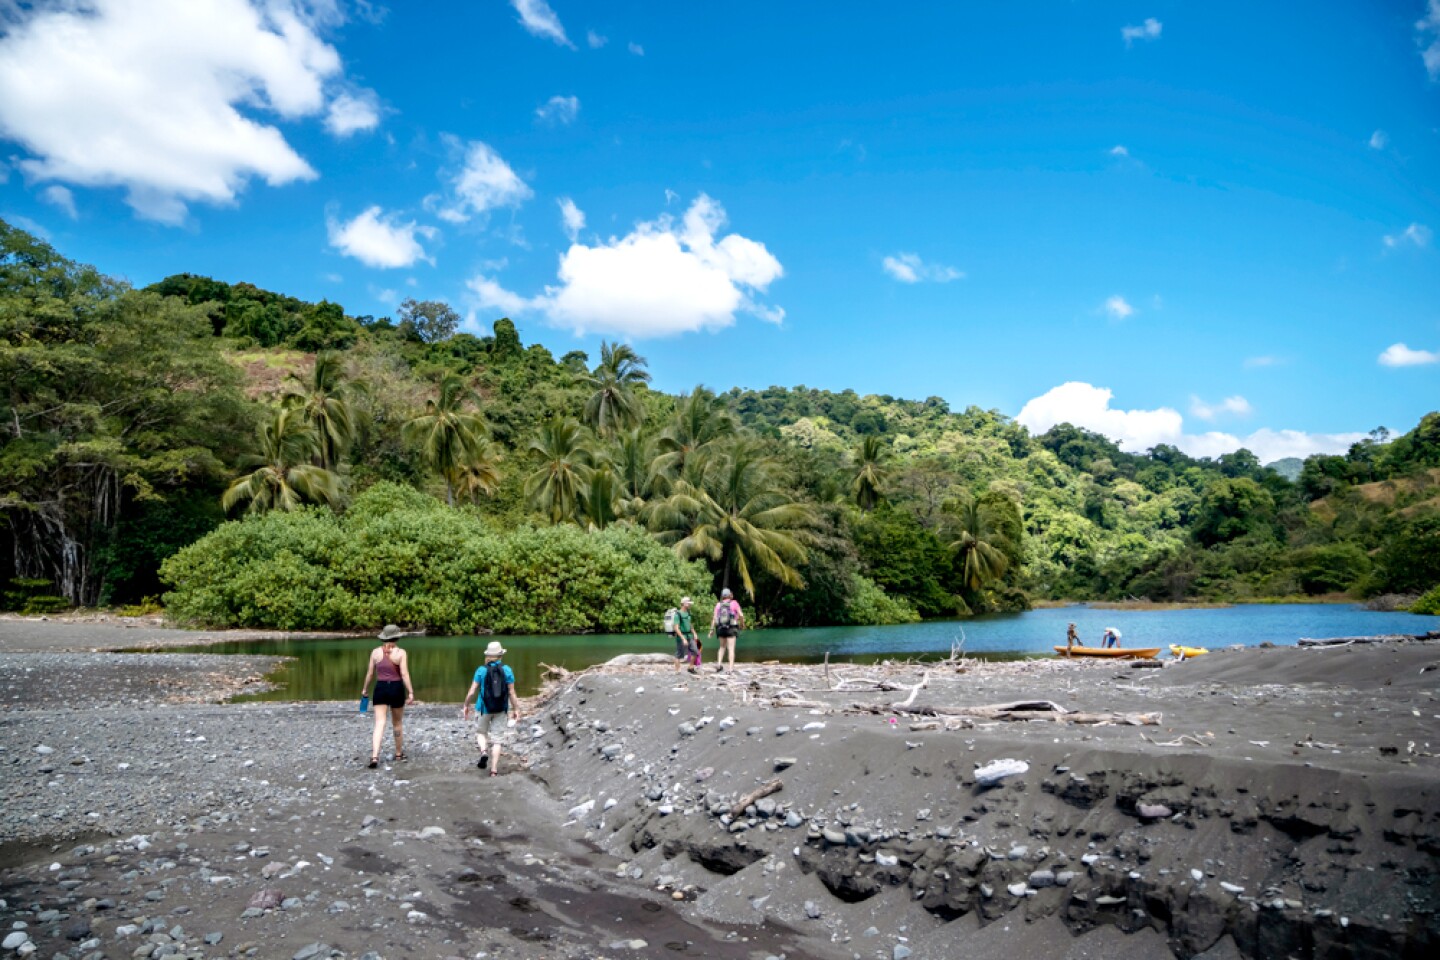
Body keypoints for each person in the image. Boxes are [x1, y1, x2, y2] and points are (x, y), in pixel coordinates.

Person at [462, 640, 521, 776]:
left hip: (483, 709)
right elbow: (511, 692)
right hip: (501, 709)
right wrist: (516, 709)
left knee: (481, 733)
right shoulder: (507, 670)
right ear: (501, 655)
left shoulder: (481, 670)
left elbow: (472, 691)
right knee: (497, 740)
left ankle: (483, 752)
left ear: (488, 655)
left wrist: (466, 705)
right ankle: (494, 770)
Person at [361, 624, 415, 769]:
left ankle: (374, 756)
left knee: (379, 723)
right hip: (396, 687)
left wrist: (365, 689)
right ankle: (398, 753)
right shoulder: (401, 653)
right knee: (397, 723)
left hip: (381, 688)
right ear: (397, 637)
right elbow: (404, 673)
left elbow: (370, 674)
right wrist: (410, 692)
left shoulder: (375, 653)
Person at [709, 588, 745, 673]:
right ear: (730, 595)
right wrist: (742, 624)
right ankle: (730, 668)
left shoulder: (718, 605)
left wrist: (711, 630)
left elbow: (714, 618)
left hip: (721, 628)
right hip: (731, 628)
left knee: (722, 647)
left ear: (722, 596)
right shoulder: (734, 603)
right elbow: (741, 614)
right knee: (731, 648)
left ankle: (719, 664)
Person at [672, 597, 700, 674]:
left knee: (695, 651)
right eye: (688, 603)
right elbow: (676, 628)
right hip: (681, 637)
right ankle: (677, 671)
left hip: (689, 636)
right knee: (679, 654)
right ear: (684, 604)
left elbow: (690, 624)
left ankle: (690, 667)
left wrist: (694, 633)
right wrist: (683, 639)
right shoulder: (678, 614)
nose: (690, 605)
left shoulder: (688, 613)